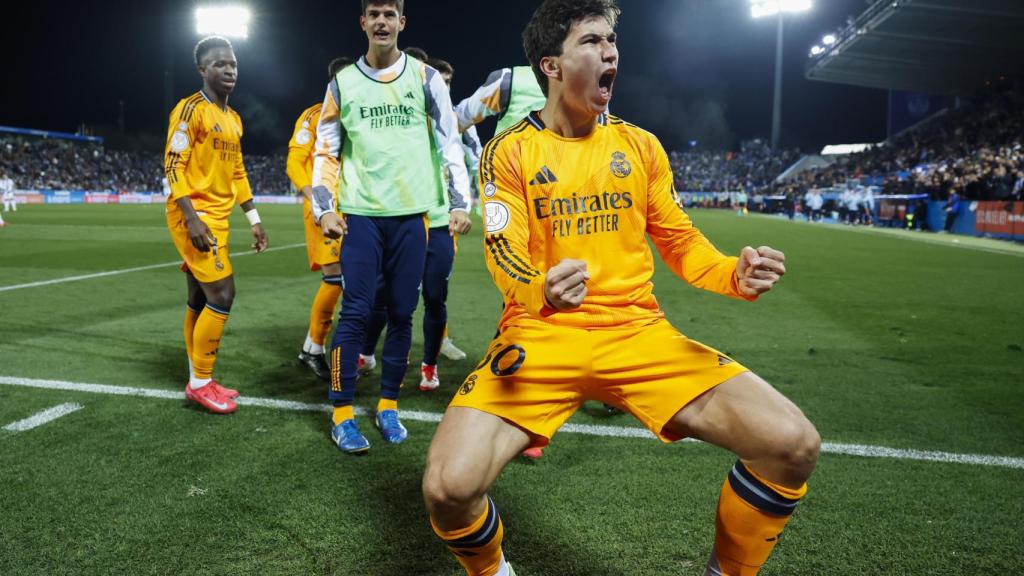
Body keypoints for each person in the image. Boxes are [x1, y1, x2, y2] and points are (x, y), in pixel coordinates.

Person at [421, 2, 820, 576]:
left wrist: (734, 273)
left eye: (611, 40)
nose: (610, 51)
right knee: (447, 487)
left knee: (793, 443)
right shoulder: (508, 151)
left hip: (637, 333)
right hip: (541, 334)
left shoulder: (640, 146)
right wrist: (540, 288)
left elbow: (681, 242)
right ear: (551, 65)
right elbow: (503, 249)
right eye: (591, 41)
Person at [311, 0, 472, 454]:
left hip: (412, 217)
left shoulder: (425, 78)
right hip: (361, 216)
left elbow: (450, 142)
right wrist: (324, 208)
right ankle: (342, 413)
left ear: (402, 22)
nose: (381, 21)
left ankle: (387, 406)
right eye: (374, 14)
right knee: (356, 312)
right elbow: (325, 151)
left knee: (402, 313)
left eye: (389, 14)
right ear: (363, 22)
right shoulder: (343, 83)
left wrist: (461, 202)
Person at [360, 56, 478, 392]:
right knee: (387, 295)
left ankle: (429, 365)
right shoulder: (400, 115)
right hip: (401, 217)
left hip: (439, 222)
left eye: (448, 82)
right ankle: (368, 353)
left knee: (435, 298)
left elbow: (474, 159)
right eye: (440, 80)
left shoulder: (456, 123)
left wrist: (464, 204)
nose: (443, 87)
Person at [164, 36, 268, 415]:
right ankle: (200, 384)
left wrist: (254, 219)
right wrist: (191, 218)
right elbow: (173, 164)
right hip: (195, 215)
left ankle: (199, 376)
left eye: (233, 64)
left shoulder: (233, 119)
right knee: (222, 294)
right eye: (220, 64)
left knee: (198, 298)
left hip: (218, 216)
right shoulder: (190, 109)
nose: (229, 70)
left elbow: (238, 171)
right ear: (202, 69)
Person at [289, 56, 354, 381]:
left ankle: (320, 346)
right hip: (326, 207)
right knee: (334, 277)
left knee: (353, 279)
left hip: (356, 206)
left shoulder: (358, 115)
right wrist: (316, 199)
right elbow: (295, 161)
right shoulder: (314, 115)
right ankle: (314, 349)